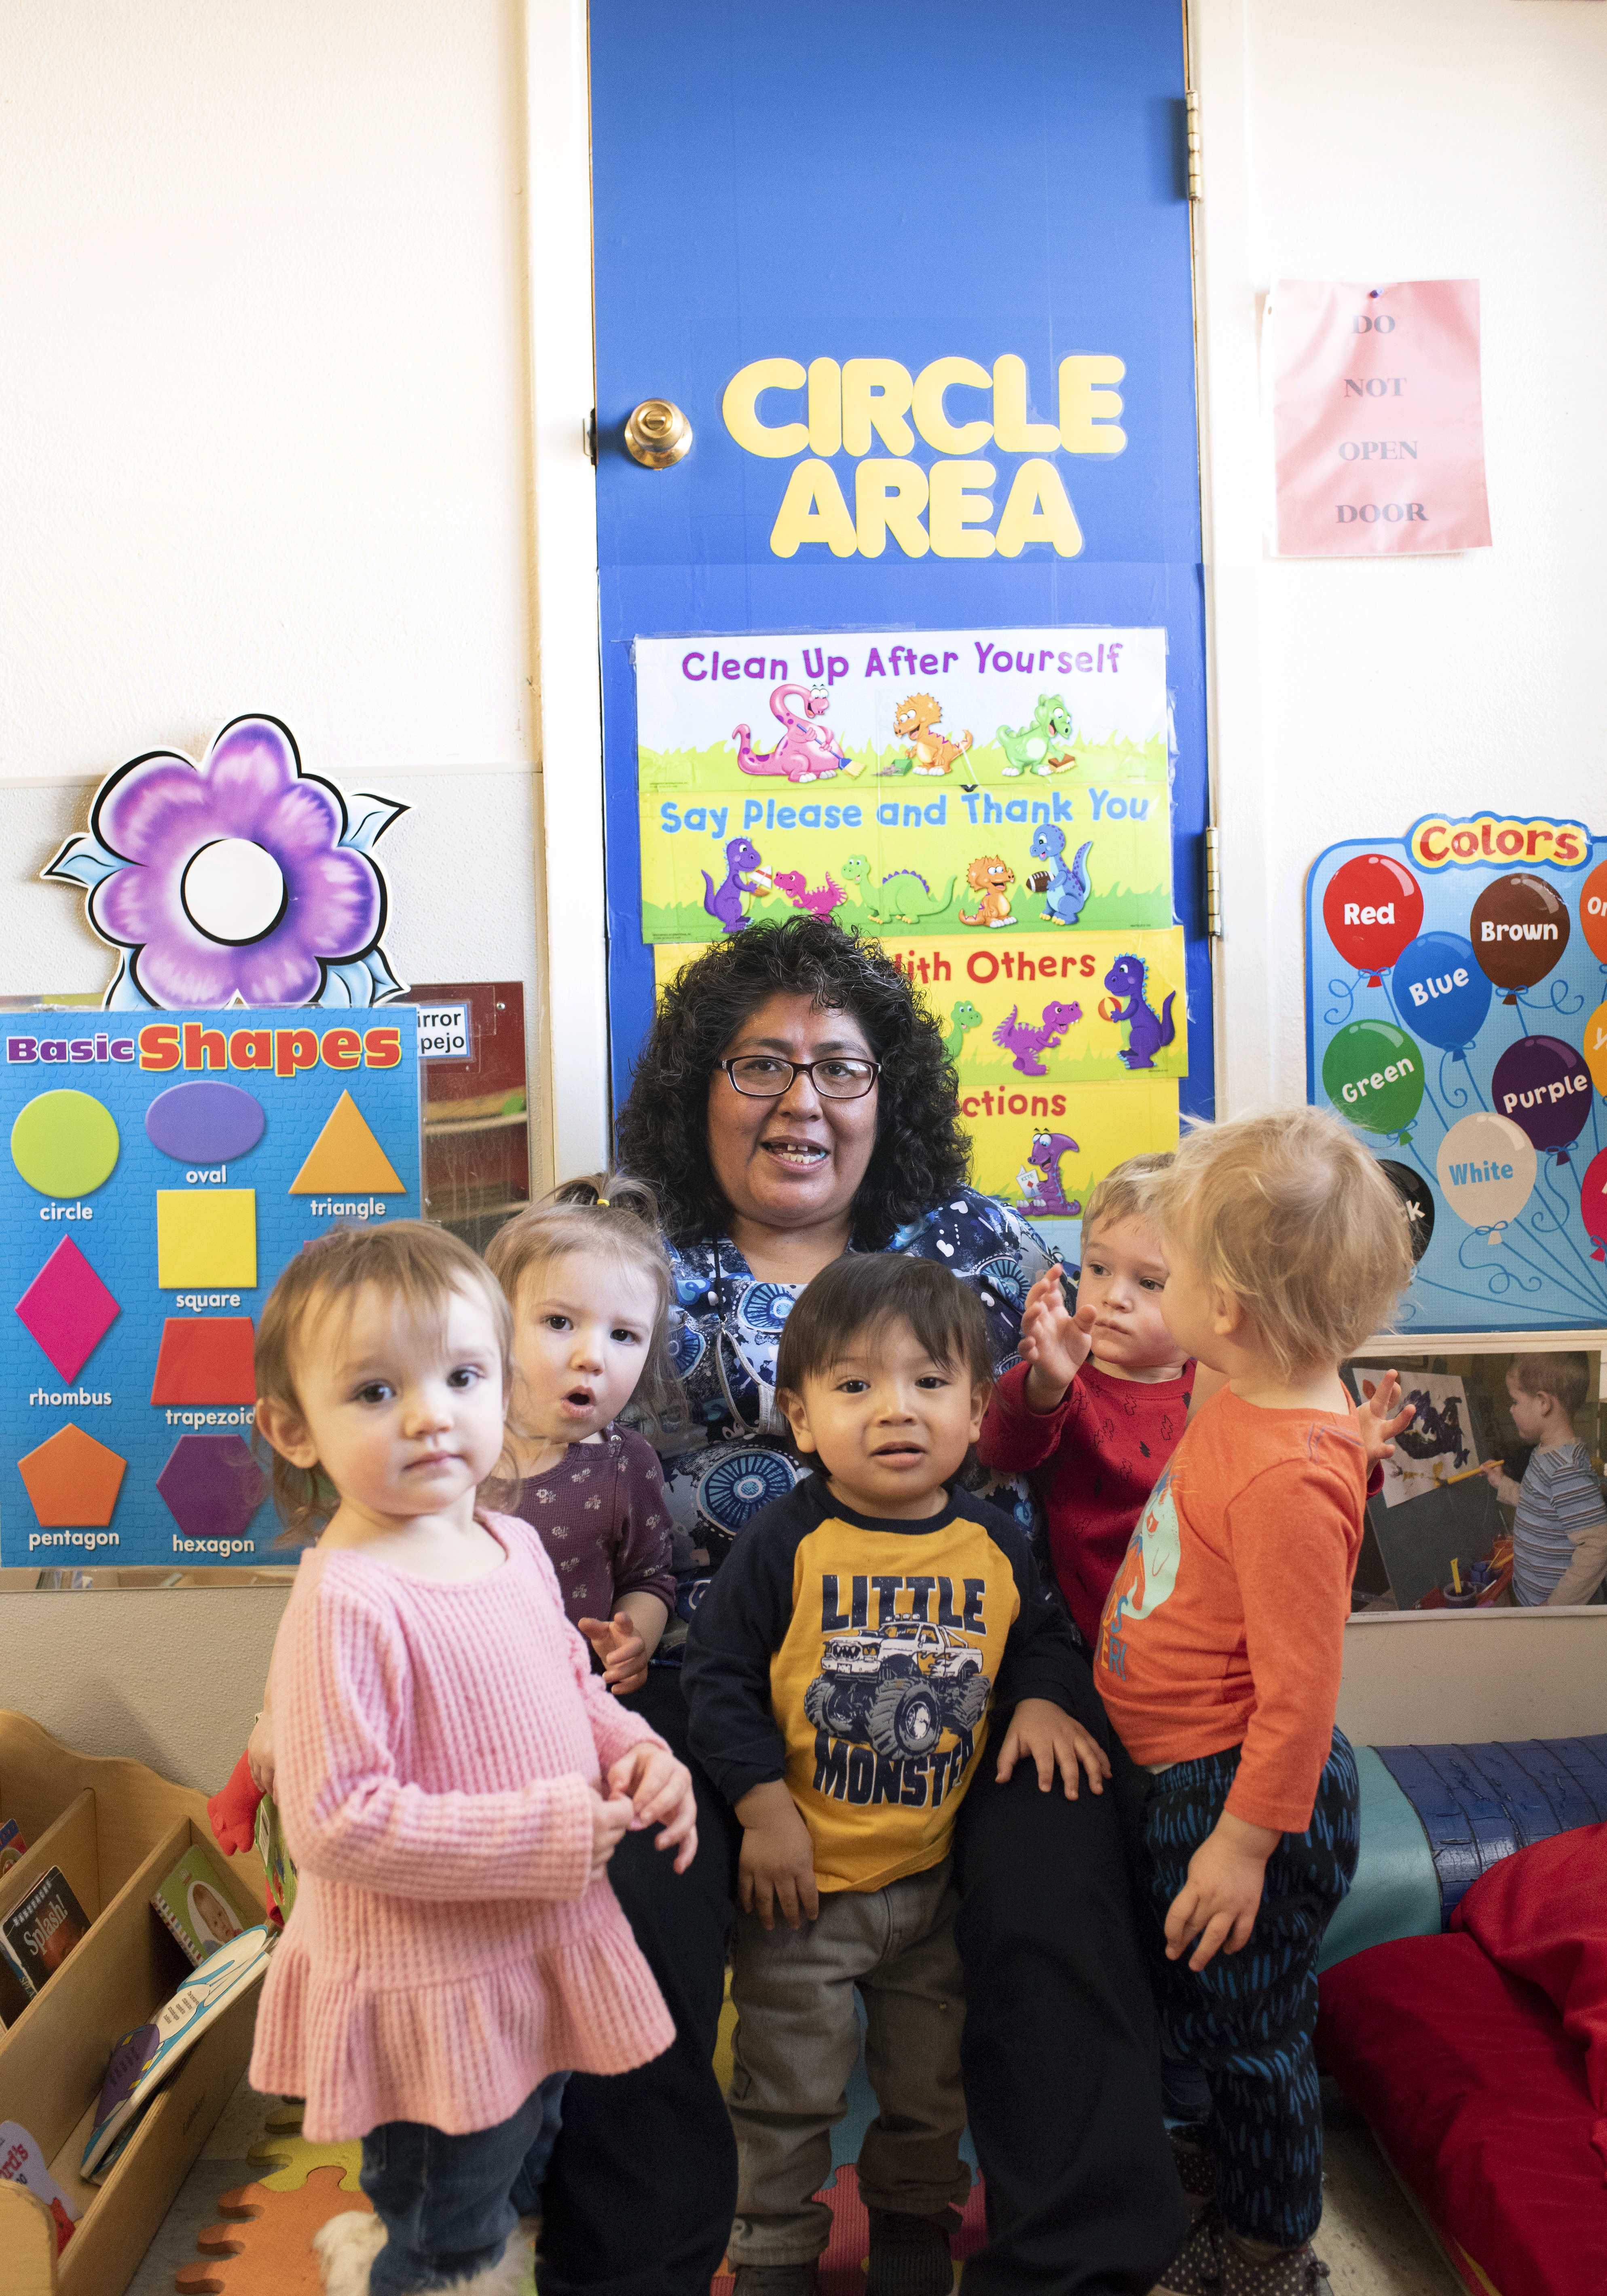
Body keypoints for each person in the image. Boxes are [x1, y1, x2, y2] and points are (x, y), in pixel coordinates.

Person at [538, 911, 1187, 2296]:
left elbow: (1106, 1438)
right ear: (693, 1087)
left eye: (839, 1065)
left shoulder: (978, 1242)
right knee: (640, 1887)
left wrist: (1060, 1675)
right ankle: (631, 2266)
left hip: (974, 1647)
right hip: (700, 1660)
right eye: (757, 1063)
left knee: (1056, 1866)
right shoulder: (617, 1245)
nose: (800, 1100)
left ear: (885, 1092)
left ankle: (1074, 2266)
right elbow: (512, 1427)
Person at [245, 1223, 697, 2296]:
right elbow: (335, 1817)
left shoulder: (514, 1543)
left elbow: (570, 1687)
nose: (429, 1411)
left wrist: (639, 1754)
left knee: (522, 2175)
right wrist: (546, 1830)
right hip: (431, 1987)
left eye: (461, 1374)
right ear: (291, 1426)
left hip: (531, 1952)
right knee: (450, 2231)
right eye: (372, 1391)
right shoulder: (346, 1599)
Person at [684, 1256, 1106, 2296]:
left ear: (975, 1411)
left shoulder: (992, 1542)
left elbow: (1043, 1642)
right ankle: (773, 2247)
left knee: (929, 2089)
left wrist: (1044, 1698)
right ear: (799, 1416)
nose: (894, 1412)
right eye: (854, 1386)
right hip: (800, 1892)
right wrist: (760, 1805)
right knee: (785, 2092)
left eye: (927, 1383)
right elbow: (719, 1676)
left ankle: (913, 2235)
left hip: (930, 1890)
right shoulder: (786, 1540)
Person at [1093, 1109, 1414, 2296]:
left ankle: (1273, 2246)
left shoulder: (1283, 1460)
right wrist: (1352, 1449)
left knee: (1251, 2032)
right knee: (1202, 2011)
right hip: (1185, 1772)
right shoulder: (1267, 1393)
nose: (1149, 1289)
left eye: (1165, 1272)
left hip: (1231, 1791)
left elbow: (1300, 1692)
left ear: (1222, 1310)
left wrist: (1239, 1840)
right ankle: (1218, 2173)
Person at [976, 1152, 1209, 1650]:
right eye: (1099, 1269)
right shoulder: (1068, 1377)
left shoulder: (1221, 1386)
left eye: (1149, 1283)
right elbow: (999, 1448)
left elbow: (1278, 1494)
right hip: (1091, 1641)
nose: (1112, 1296)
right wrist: (1046, 1381)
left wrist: (1351, 1458)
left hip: (1199, 1639)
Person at [484, 1176, 683, 1692]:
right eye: (559, 1321)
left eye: (623, 1335)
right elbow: (353, 1579)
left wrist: (631, 1639)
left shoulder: (625, 1464)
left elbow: (648, 1578)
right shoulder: (442, 1446)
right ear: (494, 1324)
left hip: (568, 1715)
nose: (592, 1357)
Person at [1479, 1352, 1607, 1607]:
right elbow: (1541, 1503)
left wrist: (1556, 1609)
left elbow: (1598, 1545)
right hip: (1535, 1597)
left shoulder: (1565, 1468)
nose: (1511, 1409)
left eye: (1515, 1400)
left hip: (1556, 1610)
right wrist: (1502, 1483)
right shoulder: (1544, 1452)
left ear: (1542, 1403)